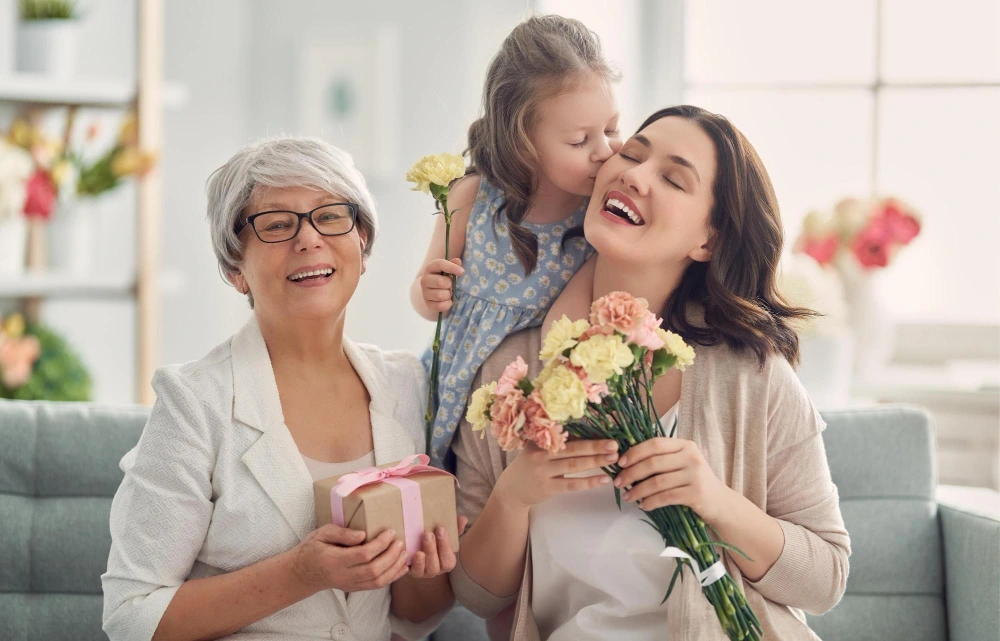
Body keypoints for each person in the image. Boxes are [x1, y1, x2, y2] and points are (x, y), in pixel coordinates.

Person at [450, 106, 851, 640]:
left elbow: (824, 580)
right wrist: (513, 495)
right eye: (632, 155)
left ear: (707, 240)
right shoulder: (510, 377)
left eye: (672, 178)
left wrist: (714, 499)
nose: (633, 175)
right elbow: (477, 596)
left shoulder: (755, 377)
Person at [102, 137, 463, 641]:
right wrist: (302, 573)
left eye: (331, 216)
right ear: (235, 270)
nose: (309, 239)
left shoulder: (408, 384)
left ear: (362, 244)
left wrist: (427, 573)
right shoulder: (194, 403)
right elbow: (132, 616)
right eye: (276, 225)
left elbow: (410, 614)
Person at [411, 14, 623, 469]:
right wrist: (429, 289)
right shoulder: (472, 197)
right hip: (457, 384)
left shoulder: (597, 219)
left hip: (532, 398)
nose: (604, 150)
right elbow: (428, 303)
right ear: (523, 142)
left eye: (611, 129)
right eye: (580, 139)